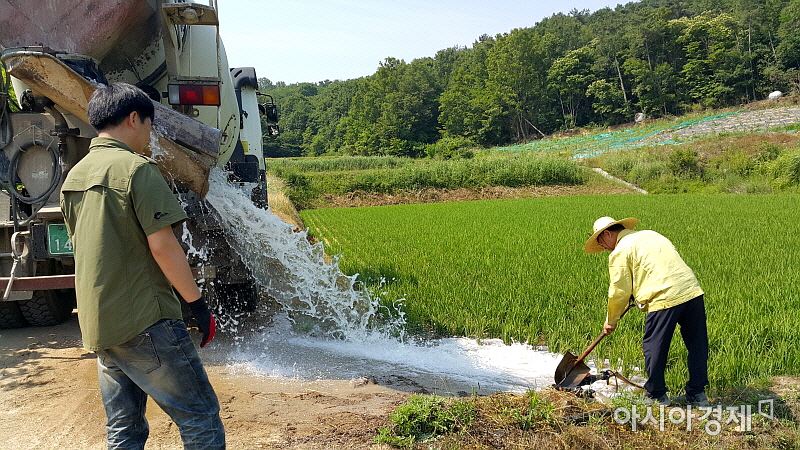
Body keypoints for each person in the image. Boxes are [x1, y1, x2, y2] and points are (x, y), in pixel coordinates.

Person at [60, 83, 225, 449]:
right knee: (200, 416)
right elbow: (163, 247)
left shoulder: (75, 177)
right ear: (134, 118)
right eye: (150, 125)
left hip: (102, 324)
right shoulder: (137, 170)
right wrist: (198, 306)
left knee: (125, 429)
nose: (150, 135)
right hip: (146, 321)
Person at [584, 216, 709, 407]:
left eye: (601, 243)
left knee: (654, 346)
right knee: (697, 344)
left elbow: (618, 291)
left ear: (607, 234)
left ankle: (656, 395)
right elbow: (658, 266)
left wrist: (611, 321)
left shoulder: (620, 251)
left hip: (663, 296)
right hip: (692, 291)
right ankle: (697, 394)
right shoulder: (651, 235)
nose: (604, 248)